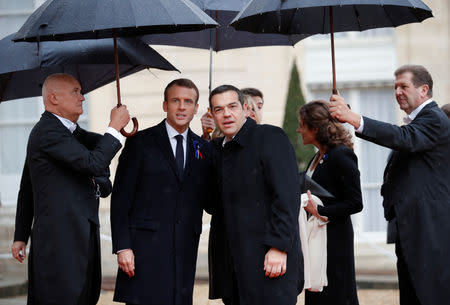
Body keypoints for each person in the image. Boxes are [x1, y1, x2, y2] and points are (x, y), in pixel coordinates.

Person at [329, 65, 450, 305]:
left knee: (429, 295)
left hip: (429, 230)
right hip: (411, 228)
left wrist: (353, 119)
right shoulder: (418, 123)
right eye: (395, 87)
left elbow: (402, 138)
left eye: (404, 86)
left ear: (424, 90)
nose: (397, 92)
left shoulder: (434, 119)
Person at [11, 73, 130, 305]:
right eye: (76, 91)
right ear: (53, 98)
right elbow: (94, 162)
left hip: (82, 239)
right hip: (59, 246)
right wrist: (114, 126)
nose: (82, 98)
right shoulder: (47, 131)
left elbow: (99, 153)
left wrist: (121, 132)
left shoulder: (71, 132)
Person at [110, 78, 214, 305]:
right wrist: (122, 246)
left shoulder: (204, 148)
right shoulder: (140, 142)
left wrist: (215, 140)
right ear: (165, 105)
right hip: (144, 251)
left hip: (185, 250)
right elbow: (120, 199)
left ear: (197, 109)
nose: (182, 106)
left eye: (188, 102)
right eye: (175, 100)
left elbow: (210, 200)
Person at [208, 85, 303, 305]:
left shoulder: (269, 137)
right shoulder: (217, 151)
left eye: (232, 106)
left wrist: (279, 247)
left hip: (269, 260)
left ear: (244, 108)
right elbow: (213, 204)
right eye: (219, 109)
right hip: (233, 267)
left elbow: (287, 197)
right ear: (212, 114)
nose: (227, 114)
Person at [297, 100, 363, 305]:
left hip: (334, 240)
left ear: (315, 128)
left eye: (302, 125)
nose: (299, 130)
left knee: (336, 294)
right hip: (316, 237)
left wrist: (320, 210)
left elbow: (355, 202)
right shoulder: (318, 156)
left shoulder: (341, 154)